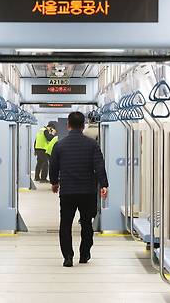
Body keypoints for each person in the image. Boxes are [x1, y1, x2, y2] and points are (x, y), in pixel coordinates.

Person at [49, 112, 108, 267]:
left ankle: (68, 257)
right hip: (87, 191)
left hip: (67, 191)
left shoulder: (59, 145)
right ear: (83, 125)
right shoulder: (92, 144)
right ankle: (84, 254)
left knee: (65, 224)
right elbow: (99, 165)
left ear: (68, 125)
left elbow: (53, 166)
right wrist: (104, 185)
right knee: (87, 223)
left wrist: (54, 183)